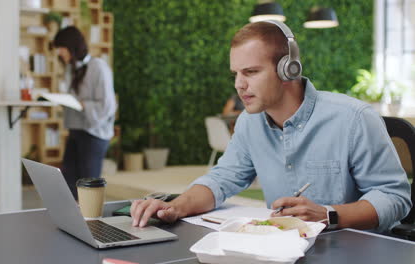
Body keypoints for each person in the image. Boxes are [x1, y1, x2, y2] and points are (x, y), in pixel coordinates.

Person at [130, 21, 412, 233]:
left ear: (288, 69)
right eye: (236, 74)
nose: (239, 84)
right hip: (280, 251)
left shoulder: (353, 118)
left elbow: (394, 197)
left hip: (352, 250)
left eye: (251, 72)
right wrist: (174, 206)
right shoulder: (249, 123)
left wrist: (329, 214)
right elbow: (221, 178)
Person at [53, 26, 117, 199]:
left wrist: (82, 104)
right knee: (69, 183)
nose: (59, 52)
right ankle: (73, 222)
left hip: (94, 133)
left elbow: (107, 106)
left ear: (71, 46)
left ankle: (92, 224)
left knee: (89, 187)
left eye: (61, 48)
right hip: (76, 130)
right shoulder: (71, 70)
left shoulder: (98, 67)